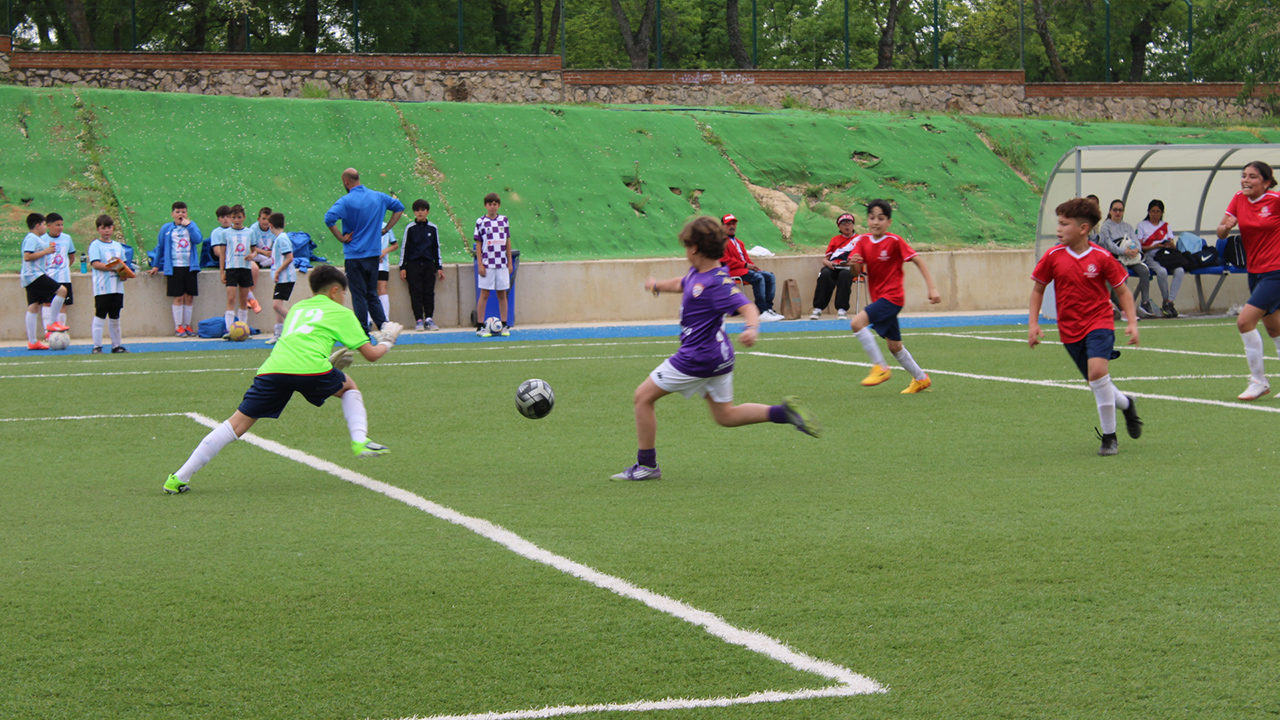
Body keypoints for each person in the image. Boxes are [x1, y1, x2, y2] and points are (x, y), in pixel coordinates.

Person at [163, 264, 404, 495]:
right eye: (344, 292)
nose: (344, 297)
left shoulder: (298, 309)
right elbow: (371, 355)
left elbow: (296, 345)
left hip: (273, 369)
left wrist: (326, 361)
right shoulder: (342, 312)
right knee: (349, 387)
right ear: (335, 290)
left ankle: (178, 477)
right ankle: (360, 440)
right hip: (311, 369)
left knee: (236, 424)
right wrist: (387, 341)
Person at [613, 216, 821, 481]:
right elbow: (682, 283)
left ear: (696, 249)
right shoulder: (700, 274)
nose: (685, 250)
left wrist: (751, 328)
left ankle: (647, 465)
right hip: (720, 357)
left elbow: (748, 306)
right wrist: (657, 286)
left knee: (642, 397)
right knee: (725, 415)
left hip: (697, 358)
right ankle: (783, 413)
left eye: (687, 246)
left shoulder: (717, 283)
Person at [1029, 197, 1143, 456]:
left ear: (1083, 229)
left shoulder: (1102, 257)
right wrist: (1033, 323)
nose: (1058, 229)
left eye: (1064, 224)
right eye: (1058, 223)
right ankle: (1127, 404)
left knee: (1097, 372)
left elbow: (1123, 292)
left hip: (1100, 322)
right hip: (1069, 329)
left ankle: (1110, 438)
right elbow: (1038, 290)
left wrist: (1133, 322)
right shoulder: (1053, 256)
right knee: (1098, 382)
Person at [847, 201, 941, 394]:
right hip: (879, 298)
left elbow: (918, 260)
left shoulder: (895, 241)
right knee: (895, 346)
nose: (876, 222)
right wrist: (853, 263)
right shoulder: (862, 241)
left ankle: (880, 368)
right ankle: (921, 379)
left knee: (857, 323)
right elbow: (855, 273)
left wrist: (932, 288)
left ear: (888, 222)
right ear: (867, 220)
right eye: (872, 218)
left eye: (881, 218)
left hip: (893, 297)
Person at [1216, 160, 1280, 401]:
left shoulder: (1275, 201)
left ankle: (1259, 381)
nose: (1246, 180)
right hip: (1255, 272)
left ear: (1266, 182)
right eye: (1244, 175)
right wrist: (1227, 226)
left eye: (1253, 177)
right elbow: (1221, 231)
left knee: (1244, 322)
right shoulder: (1238, 198)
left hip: (1276, 272)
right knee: (1275, 328)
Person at [324, 167, 404, 333]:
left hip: (354, 255)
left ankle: (363, 333)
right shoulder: (378, 196)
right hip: (374, 253)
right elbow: (399, 208)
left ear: (346, 181)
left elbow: (329, 218)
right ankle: (384, 328)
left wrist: (341, 237)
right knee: (372, 293)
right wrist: (386, 229)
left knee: (359, 295)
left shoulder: (346, 201)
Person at [148, 201, 203, 337]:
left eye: (183, 212)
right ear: (172, 214)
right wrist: (156, 265)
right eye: (178, 212)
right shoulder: (167, 229)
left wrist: (189, 225)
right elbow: (160, 247)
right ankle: (178, 326)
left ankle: (187, 325)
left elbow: (198, 239)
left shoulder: (191, 225)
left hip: (190, 267)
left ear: (187, 214)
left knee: (189, 297)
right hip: (175, 267)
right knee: (178, 297)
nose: (181, 214)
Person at [1096, 199, 1157, 318]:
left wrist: (1136, 250)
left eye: (1120, 210)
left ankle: (1145, 303)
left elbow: (1136, 241)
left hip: (1131, 257)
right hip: (1116, 258)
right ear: (1110, 211)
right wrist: (1124, 251)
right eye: (1115, 210)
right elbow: (1109, 245)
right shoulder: (1106, 227)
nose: (1118, 212)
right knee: (1122, 272)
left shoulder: (1128, 226)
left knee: (1144, 271)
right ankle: (1124, 306)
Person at [20, 213, 70, 350]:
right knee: (62, 291)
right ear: (37, 225)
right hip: (34, 275)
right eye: (43, 224)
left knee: (33, 306)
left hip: (30, 276)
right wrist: (46, 251)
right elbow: (27, 257)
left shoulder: (35, 238)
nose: (44, 227)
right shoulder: (32, 238)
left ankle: (32, 342)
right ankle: (52, 323)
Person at [719, 214, 782, 321]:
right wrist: (745, 265)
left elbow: (746, 259)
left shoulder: (739, 243)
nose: (731, 226)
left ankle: (768, 308)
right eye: (728, 224)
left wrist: (754, 267)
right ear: (722, 226)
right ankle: (761, 310)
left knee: (769, 276)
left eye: (733, 223)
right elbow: (725, 261)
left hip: (743, 270)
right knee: (758, 278)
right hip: (731, 272)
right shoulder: (720, 242)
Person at [87, 214, 131, 354]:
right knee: (100, 314)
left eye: (109, 227)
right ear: (98, 229)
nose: (107, 231)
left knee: (115, 315)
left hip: (117, 287)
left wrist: (124, 275)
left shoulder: (118, 246)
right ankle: (97, 346)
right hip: (102, 287)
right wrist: (113, 267)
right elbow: (95, 263)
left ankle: (116, 345)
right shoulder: (95, 245)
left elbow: (123, 264)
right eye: (103, 228)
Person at [400, 199, 445, 331]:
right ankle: (419, 319)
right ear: (414, 212)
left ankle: (429, 319)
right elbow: (405, 248)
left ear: (427, 212)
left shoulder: (432, 228)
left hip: (428, 265)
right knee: (416, 292)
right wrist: (402, 267)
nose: (420, 213)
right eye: (417, 210)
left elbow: (436, 248)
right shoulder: (410, 228)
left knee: (429, 292)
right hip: (413, 265)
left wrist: (439, 267)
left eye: (423, 210)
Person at [1135, 199, 1184, 318]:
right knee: (1161, 272)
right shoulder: (1142, 225)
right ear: (1148, 212)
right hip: (1151, 256)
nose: (1155, 214)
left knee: (1180, 271)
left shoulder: (1166, 226)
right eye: (1153, 211)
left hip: (1166, 255)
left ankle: (1169, 302)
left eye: (1158, 212)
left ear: (1162, 213)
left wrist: (1169, 244)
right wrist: (1154, 246)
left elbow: (1173, 245)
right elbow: (1140, 247)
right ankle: (1166, 301)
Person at [219, 204, 261, 336]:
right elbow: (222, 253)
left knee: (243, 299)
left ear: (244, 218)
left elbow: (254, 249)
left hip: (245, 268)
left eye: (239, 217)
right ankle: (229, 329)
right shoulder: (225, 233)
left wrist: (252, 255)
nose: (236, 220)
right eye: (234, 217)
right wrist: (222, 272)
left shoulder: (249, 232)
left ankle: (243, 328)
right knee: (231, 298)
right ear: (230, 218)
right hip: (231, 269)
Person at [475, 192, 513, 337]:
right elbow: (479, 244)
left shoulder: (504, 220)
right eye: (490, 204)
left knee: (502, 294)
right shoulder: (480, 222)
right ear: (486, 205)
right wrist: (480, 264)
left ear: (499, 205)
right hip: (488, 263)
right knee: (484, 294)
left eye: (495, 204)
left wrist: (509, 262)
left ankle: (504, 325)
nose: (492, 207)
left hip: (502, 264)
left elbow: (507, 241)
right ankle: (479, 326)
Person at [809, 213, 859, 320]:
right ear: (839, 227)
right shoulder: (835, 240)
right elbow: (825, 259)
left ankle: (842, 309)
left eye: (849, 223)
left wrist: (849, 263)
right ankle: (818, 308)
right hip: (834, 266)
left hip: (851, 268)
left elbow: (863, 259)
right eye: (843, 223)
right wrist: (829, 264)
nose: (847, 226)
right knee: (825, 273)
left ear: (853, 225)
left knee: (845, 275)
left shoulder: (860, 239)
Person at [40, 212, 76, 330]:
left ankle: (60, 331)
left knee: (63, 304)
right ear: (48, 226)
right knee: (47, 303)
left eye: (62, 225)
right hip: (47, 277)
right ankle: (48, 331)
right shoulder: (42, 239)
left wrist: (64, 268)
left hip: (63, 277)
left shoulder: (67, 238)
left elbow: (71, 256)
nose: (60, 227)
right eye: (57, 225)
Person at [265, 212, 295, 345]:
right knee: (277, 305)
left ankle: (296, 324)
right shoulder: (279, 238)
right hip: (281, 279)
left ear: (270, 225)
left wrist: (278, 271)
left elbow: (289, 257)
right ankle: (278, 334)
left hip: (285, 278)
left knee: (276, 305)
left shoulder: (282, 239)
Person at [371, 225, 398, 327]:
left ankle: (385, 320)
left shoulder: (386, 226)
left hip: (382, 264)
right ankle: (368, 320)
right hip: (368, 262)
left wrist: (384, 251)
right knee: (369, 289)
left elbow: (395, 245)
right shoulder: (366, 223)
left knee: (382, 289)